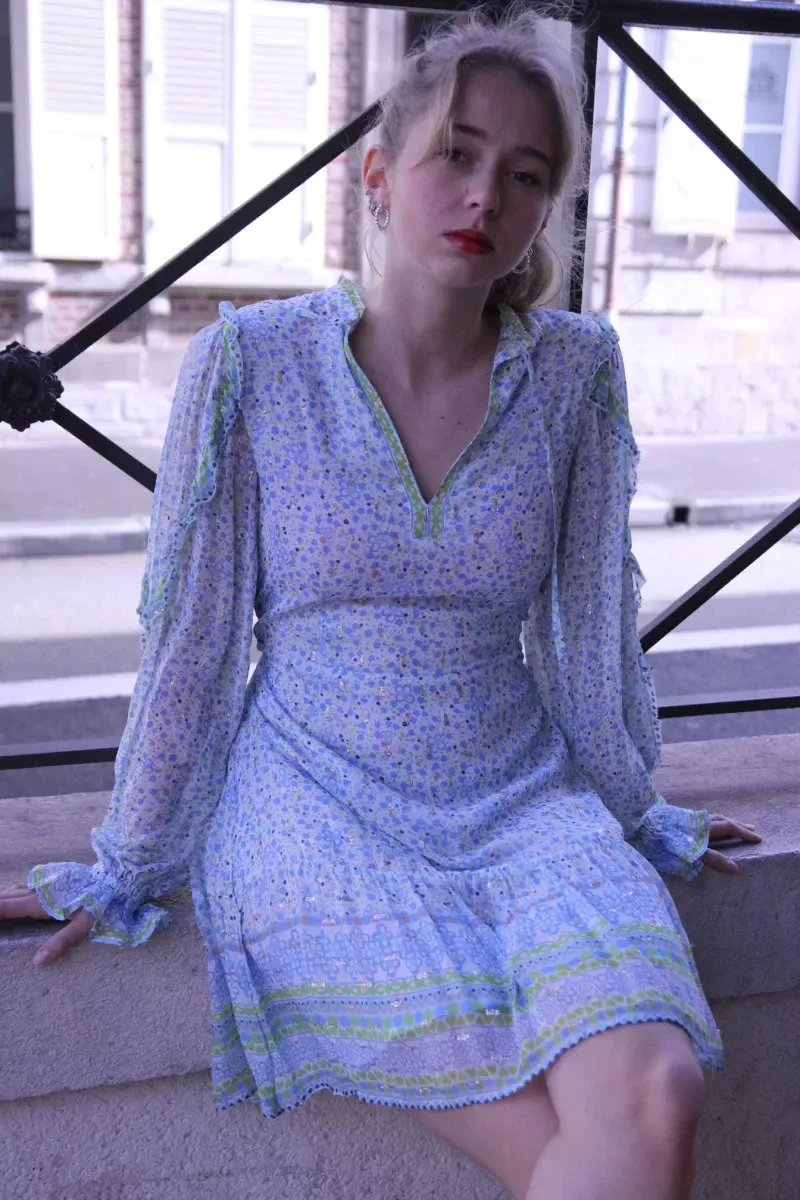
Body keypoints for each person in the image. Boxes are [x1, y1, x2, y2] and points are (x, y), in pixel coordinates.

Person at [0, 4, 762, 1198]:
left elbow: (585, 634)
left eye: (525, 174)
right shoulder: (249, 364)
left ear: (544, 209)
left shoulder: (574, 372)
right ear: (376, 175)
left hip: (519, 795)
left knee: (657, 1090)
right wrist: (130, 861)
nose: (484, 196)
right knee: (612, 1150)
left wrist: (634, 804)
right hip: (313, 801)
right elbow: (193, 641)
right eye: (454, 153)